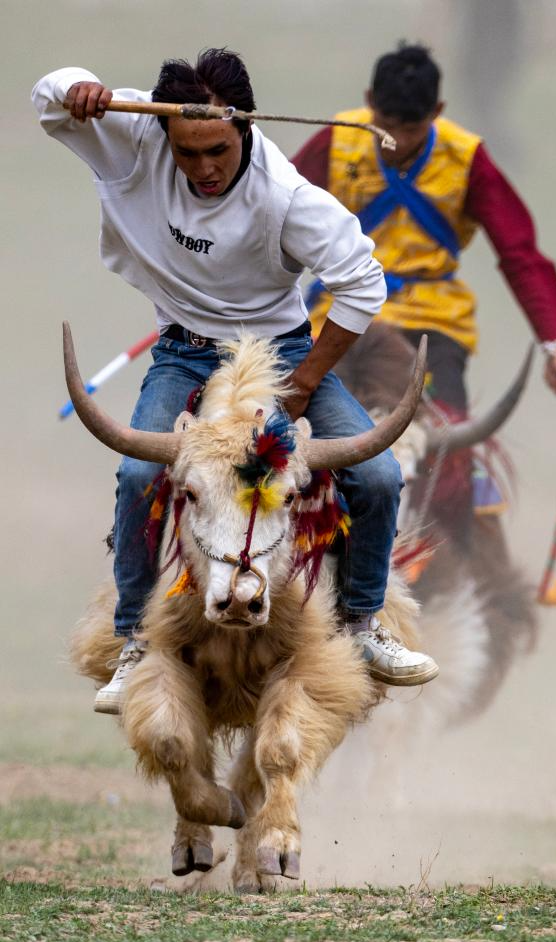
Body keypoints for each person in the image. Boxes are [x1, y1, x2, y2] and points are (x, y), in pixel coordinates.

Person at [33, 48, 439, 714]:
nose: (204, 168)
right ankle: (133, 639)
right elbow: (49, 99)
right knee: (139, 475)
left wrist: (304, 382)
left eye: (218, 150)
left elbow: (364, 283)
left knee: (378, 475)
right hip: (182, 350)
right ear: (163, 133)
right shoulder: (134, 139)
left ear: (245, 128)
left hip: (280, 354)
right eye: (187, 153)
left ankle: (364, 626)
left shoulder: (285, 196)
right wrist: (81, 88)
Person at [292, 43, 556, 549]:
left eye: (412, 128)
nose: (397, 141)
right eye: (386, 125)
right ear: (369, 102)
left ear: (438, 112)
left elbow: (520, 253)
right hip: (339, 316)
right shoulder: (336, 142)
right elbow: (273, 214)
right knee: (288, 433)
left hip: (433, 322)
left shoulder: (467, 158)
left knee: (451, 453)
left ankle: (459, 561)